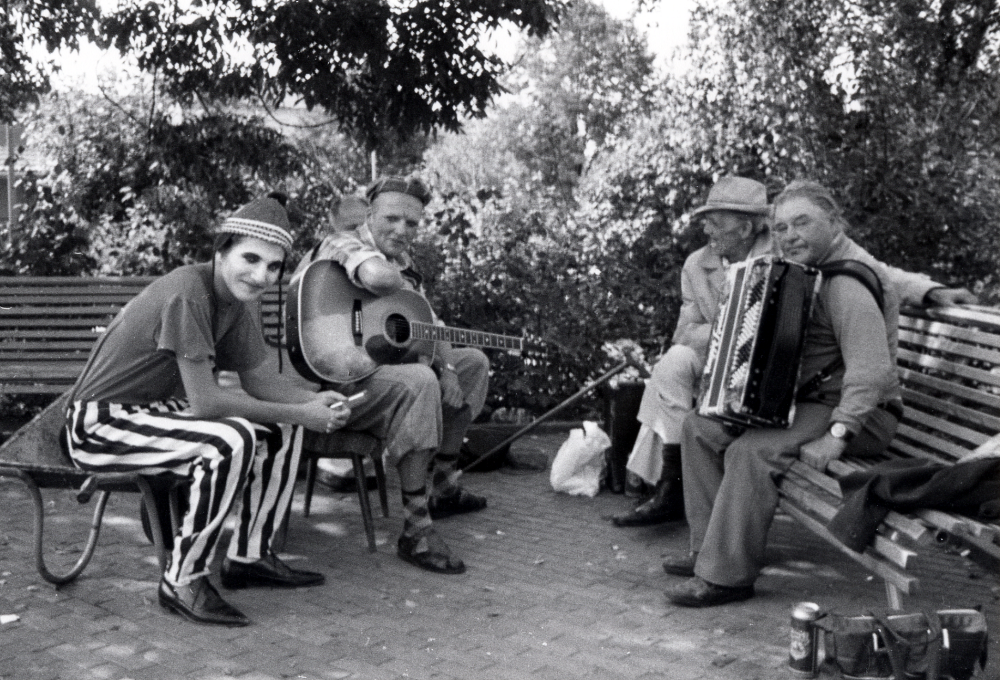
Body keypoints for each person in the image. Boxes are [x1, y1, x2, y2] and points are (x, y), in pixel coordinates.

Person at [612, 177, 979, 528]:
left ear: (745, 228)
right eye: (705, 222)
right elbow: (685, 330)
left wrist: (930, 291)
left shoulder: (790, 248)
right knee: (675, 367)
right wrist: (741, 330)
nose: (705, 230)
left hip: (807, 389)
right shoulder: (697, 264)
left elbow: (873, 272)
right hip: (724, 360)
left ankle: (714, 554)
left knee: (741, 443)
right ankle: (677, 497)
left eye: (714, 221)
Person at [64, 196, 350, 627]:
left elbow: (261, 383)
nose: (260, 276)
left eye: (273, 267)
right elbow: (206, 402)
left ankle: (250, 556)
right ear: (219, 252)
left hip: (156, 412)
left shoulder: (239, 302)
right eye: (249, 259)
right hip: (99, 424)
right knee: (231, 439)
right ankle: (182, 579)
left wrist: (313, 402)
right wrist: (303, 413)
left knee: (279, 427)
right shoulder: (188, 292)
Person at [662, 179, 903, 607]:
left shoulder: (847, 281)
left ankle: (726, 577)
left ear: (833, 222)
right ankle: (709, 549)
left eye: (802, 223)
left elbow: (872, 370)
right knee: (699, 427)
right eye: (781, 227)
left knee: (751, 451)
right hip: (810, 402)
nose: (790, 236)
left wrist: (838, 435)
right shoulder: (810, 269)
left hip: (858, 412)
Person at [292, 175, 490, 575]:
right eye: (392, 219)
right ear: (368, 214)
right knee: (419, 380)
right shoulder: (341, 243)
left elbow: (430, 324)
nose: (402, 230)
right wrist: (407, 290)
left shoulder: (402, 261)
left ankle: (444, 487)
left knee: (473, 363)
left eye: (412, 224)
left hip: (370, 374)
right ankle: (416, 529)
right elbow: (379, 279)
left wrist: (447, 366)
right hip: (325, 383)